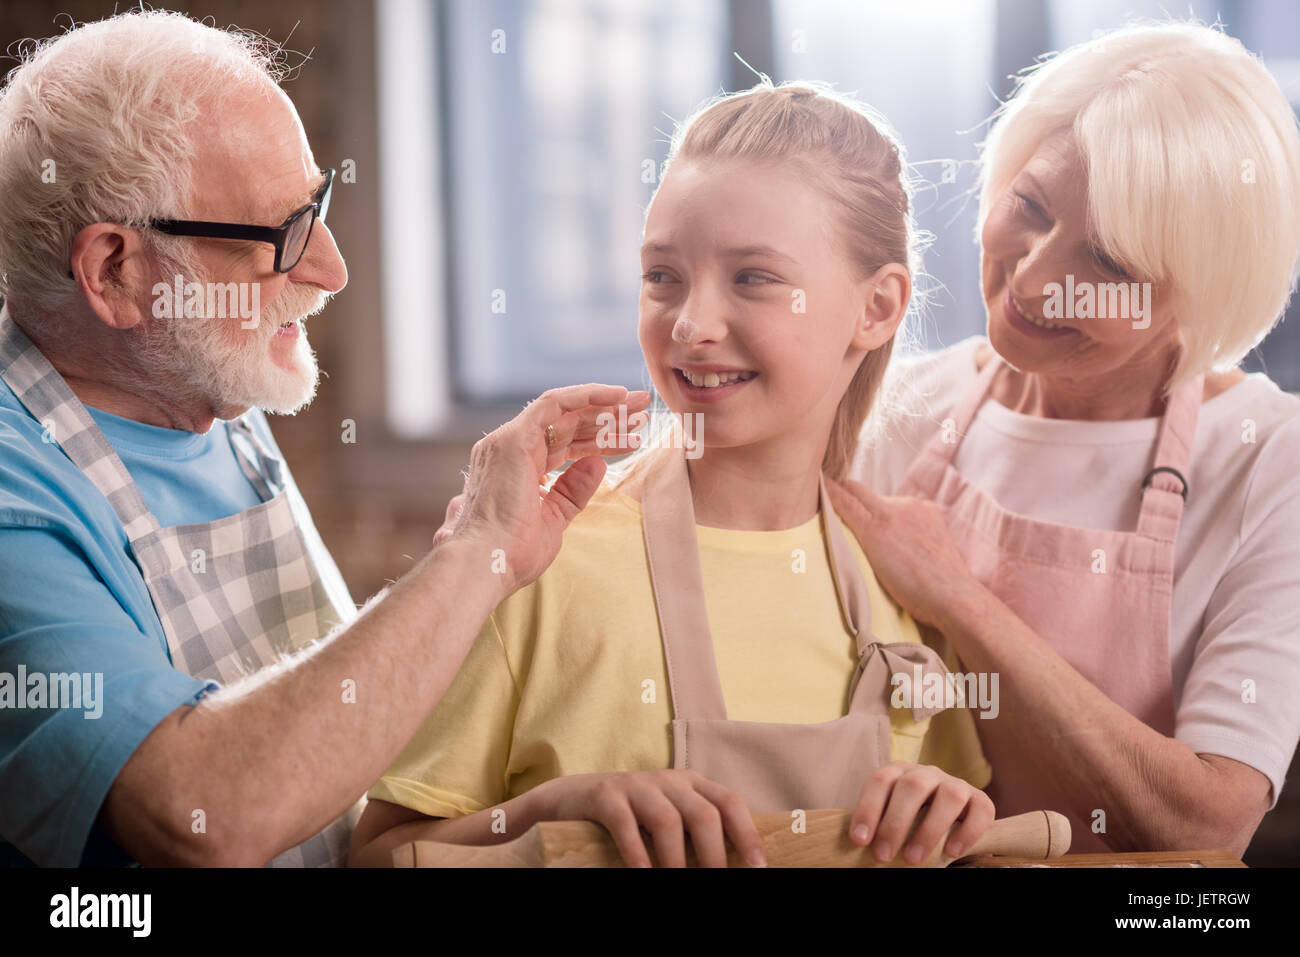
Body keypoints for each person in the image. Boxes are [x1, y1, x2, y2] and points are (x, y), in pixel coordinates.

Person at [0, 9, 648, 867]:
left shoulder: (200, 385)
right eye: (283, 235)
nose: (330, 268)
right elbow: (206, 812)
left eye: (318, 206)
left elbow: (328, 768)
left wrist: (537, 814)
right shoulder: (18, 495)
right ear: (116, 271)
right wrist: (479, 554)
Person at [351, 82, 995, 869]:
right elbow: (378, 855)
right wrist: (549, 811)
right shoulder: (539, 566)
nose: (691, 324)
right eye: (663, 276)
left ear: (877, 306)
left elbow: (957, 831)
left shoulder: (905, 584)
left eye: (753, 278)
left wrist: (959, 816)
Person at [829, 20, 1300, 855]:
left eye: (1110, 262)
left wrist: (960, 598)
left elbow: (1210, 822)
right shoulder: (901, 402)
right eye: (1031, 206)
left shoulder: (1270, 458)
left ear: (1205, 293)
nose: (1037, 278)